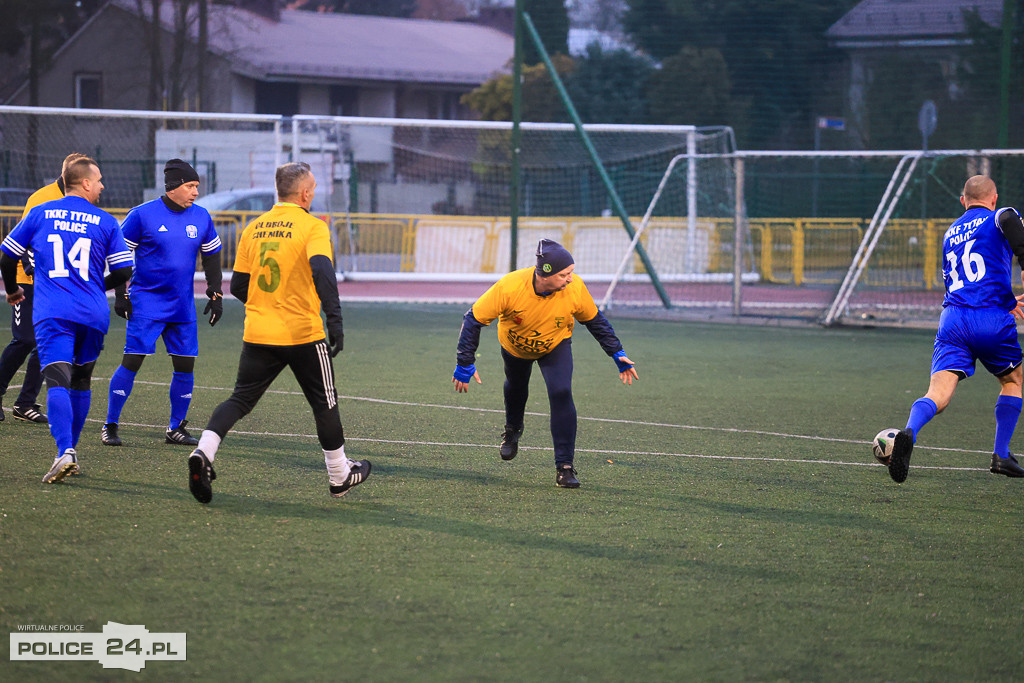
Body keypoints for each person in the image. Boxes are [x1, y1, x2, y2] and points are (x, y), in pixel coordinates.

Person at [186, 161, 370, 504]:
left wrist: (267, 302)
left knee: (239, 400)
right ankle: (339, 475)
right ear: (304, 193)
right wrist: (335, 320)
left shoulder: (253, 228)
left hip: (259, 332)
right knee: (324, 404)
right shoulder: (313, 226)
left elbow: (239, 284)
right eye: (312, 188)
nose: (313, 193)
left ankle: (204, 452)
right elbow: (322, 269)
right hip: (302, 332)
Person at [452, 238, 638, 488]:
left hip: (555, 345)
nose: (570, 278)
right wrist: (465, 362)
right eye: (564, 274)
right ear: (544, 275)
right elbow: (473, 319)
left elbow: (595, 320)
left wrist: (616, 352)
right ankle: (512, 431)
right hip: (515, 347)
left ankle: (565, 466)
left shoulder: (574, 288)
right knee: (516, 388)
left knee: (561, 391)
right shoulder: (510, 286)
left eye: (571, 272)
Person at [0, 156, 133, 483]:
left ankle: (64, 452)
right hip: (92, 313)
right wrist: (94, 286)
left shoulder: (40, 212)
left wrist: (14, 289)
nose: (102, 186)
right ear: (84, 183)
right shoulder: (105, 221)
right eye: (99, 179)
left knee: (58, 377)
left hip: (54, 311)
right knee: (82, 380)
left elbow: (7, 254)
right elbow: (124, 270)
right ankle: (70, 449)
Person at [888, 175, 1024, 483]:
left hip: (953, 319)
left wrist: (1005, 299)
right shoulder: (1002, 215)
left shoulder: (951, 232)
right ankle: (1001, 455)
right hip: (990, 319)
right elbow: (1016, 237)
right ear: (994, 197)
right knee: (1012, 381)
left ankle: (909, 431)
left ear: (963, 201)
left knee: (938, 393)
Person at [101, 159, 223, 447]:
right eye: (190, 186)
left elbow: (212, 255)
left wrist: (215, 293)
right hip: (147, 304)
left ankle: (175, 427)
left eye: (196, 187)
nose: (195, 192)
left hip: (182, 306)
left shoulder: (202, 216)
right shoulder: (141, 215)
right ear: (173, 187)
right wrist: (121, 295)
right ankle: (110, 424)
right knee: (132, 362)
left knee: (185, 366)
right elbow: (120, 258)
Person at [0, 152, 88, 425]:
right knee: (25, 339)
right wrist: (29, 271)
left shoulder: (80, 201)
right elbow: (23, 240)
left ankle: (25, 402)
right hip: (27, 282)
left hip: (55, 284)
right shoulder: (41, 198)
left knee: (47, 342)